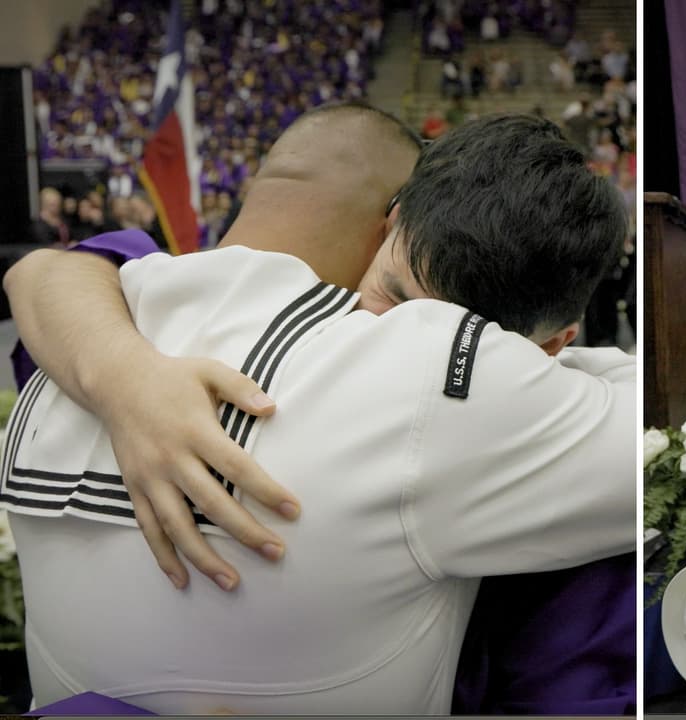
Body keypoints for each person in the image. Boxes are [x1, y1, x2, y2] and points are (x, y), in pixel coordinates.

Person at [1, 109, 635, 715]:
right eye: (394, 297)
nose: (394, 327)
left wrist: (118, 369)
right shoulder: (447, 383)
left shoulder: (111, 298)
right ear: (385, 220)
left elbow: (42, 272)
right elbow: (667, 435)